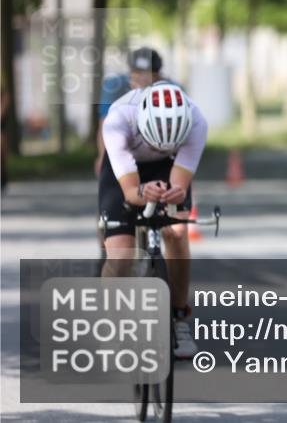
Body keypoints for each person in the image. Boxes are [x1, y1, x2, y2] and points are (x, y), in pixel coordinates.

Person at [100, 81, 208, 359]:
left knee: (177, 231)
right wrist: (140, 193)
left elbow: (180, 185)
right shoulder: (118, 120)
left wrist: (175, 194)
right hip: (124, 170)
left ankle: (179, 316)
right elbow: (129, 191)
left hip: (169, 165)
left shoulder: (196, 121)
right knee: (120, 253)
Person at [94, 47, 163, 177]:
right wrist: (103, 158)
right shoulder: (114, 85)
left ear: (158, 76)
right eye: (136, 73)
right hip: (123, 148)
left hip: (159, 152)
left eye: (147, 74)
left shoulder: (171, 89)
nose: (140, 79)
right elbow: (105, 124)